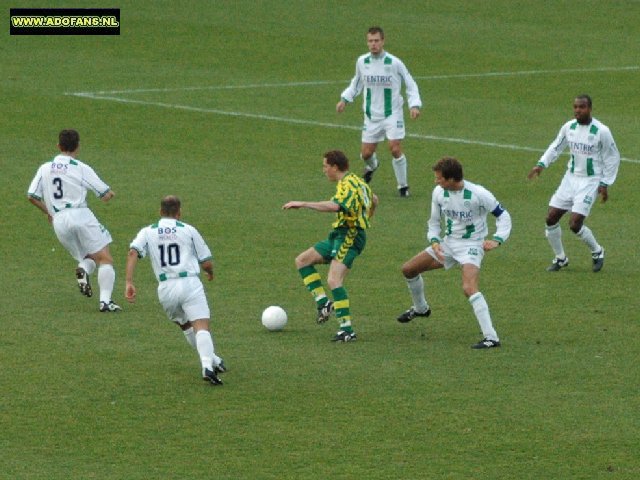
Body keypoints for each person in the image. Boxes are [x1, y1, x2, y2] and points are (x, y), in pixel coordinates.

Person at [397, 157, 512, 349]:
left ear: (451, 179)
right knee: (408, 269)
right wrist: (434, 241)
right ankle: (421, 309)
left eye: (439, 178)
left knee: (469, 288)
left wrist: (498, 239)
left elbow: (504, 216)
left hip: (472, 246)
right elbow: (433, 222)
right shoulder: (439, 193)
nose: (436, 181)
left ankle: (491, 337)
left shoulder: (479, 194)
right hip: (448, 245)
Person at [125, 195, 225, 386]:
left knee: (186, 325)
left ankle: (214, 360)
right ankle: (207, 366)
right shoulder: (188, 230)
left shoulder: (148, 231)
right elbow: (206, 262)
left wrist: (129, 281)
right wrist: (210, 272)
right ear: (179, 212)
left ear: (160, 212)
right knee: (201, 325)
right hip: (189, 283)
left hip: (166, 288)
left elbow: (133, 252)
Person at [283, 150, 378, 342]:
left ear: (335, 167)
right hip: (339, 234)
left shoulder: (348, 185)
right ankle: (324, 303)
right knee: (302, 260)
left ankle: (347, 330)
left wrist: (303, 204)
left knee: (334, 280)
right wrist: (367, 217)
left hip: (349, 236)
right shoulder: (357, 181)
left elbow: (335, 206)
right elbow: (374, 199)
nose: (324, 170)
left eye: (325, 166)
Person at [27, 129, 121, 312]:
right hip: (80, 215)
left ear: (58, 146)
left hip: (59, 221)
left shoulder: (45, 168)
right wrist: (111, 194)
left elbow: (31, 196)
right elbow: (104, 194)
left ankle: (83, 269)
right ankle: (105, 302)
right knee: (105, 258)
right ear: (78, 147)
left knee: (88, 257)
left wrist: (49, 212)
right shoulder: (80, 167)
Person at [527, 94, 620, 272]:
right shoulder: (569, 127)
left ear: (590, 108)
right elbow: (556, 146)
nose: (578, 110)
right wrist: (541, 164)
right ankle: (560, 258)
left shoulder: (602, 131)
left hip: (590, 181)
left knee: (574, 224)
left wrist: (605, 183)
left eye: (582, 107)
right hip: (570, 179)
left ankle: (597, 251)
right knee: (550, 218)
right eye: (575, 107)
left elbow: (612, 158)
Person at [336, 26, 422, 197]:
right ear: (367, 42)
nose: (373, 44)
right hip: (371, 116)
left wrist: (414, 105)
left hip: (392, 113)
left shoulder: (394, 62)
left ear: (383, 41)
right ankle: (372, 166)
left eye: (376, 41)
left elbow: (410, 83)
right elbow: (356, 83)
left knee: (394, 148)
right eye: (370, 41)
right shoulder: (362, 62)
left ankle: (403, 187)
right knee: (366, 153)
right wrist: (344, 99)